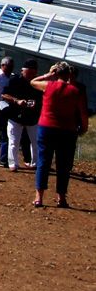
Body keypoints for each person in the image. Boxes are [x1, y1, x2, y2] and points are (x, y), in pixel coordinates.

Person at [30, 62, 88, 208]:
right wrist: (83, 128)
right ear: (69, 74)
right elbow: (82, 113)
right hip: (67, 130)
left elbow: (32, 82)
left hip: (46, 127)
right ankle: (61, 197)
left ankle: (39, 197)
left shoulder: (48, 86)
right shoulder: (75, 91)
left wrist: (49, 75)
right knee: (63, 165)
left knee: (44, 162)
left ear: (57, 73)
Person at [0, 59, 40, 171]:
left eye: (33, 73)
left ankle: (35, 163)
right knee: (13, 140)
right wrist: (16, 100)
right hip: (15, 115)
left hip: (32, 117)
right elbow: (4, 94)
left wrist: (36, 104)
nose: (30, 76)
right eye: (28, 73)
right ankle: (13, 163)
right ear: (22, 71)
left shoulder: (38, 83)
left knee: (35, 141)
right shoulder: (14, 80)